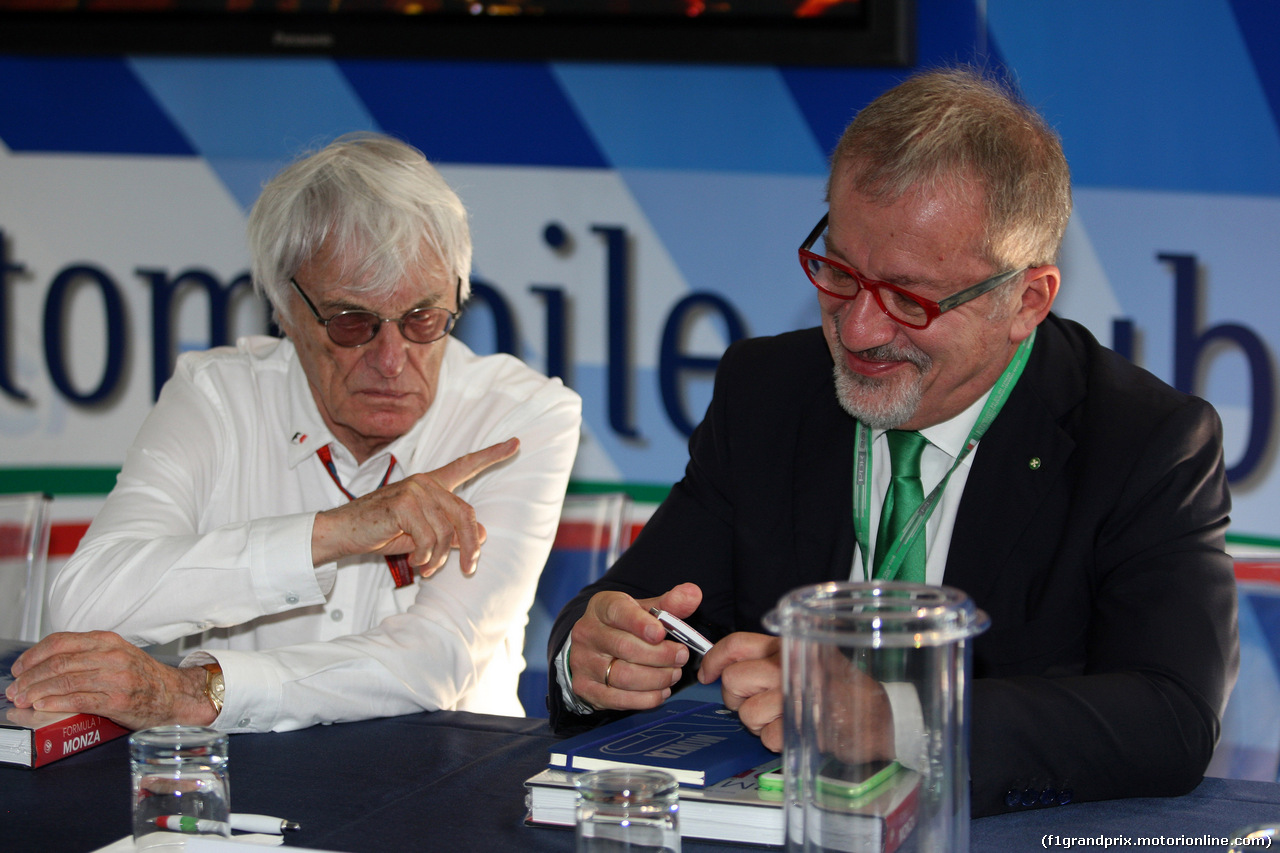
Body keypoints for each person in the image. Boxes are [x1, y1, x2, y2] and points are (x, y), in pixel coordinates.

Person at [546, 67, 1238, 817]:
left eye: (909, 298)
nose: (858, 330)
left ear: (1026, 299)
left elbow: (1170, 716)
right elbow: (635, 605)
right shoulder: (768, 391)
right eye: (839, 273)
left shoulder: (1143, 440)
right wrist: (591, 656)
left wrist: (892, 718)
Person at [5, 133, 582, 733]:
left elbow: (439, 658)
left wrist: (195, 693)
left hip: (441, 784)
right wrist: (334, 534)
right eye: (352, 322)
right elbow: (85, 602)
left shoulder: (522, 416)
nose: (391, 360)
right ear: (284, 309)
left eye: (423, 319)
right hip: (239, 783)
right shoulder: (218, 396)